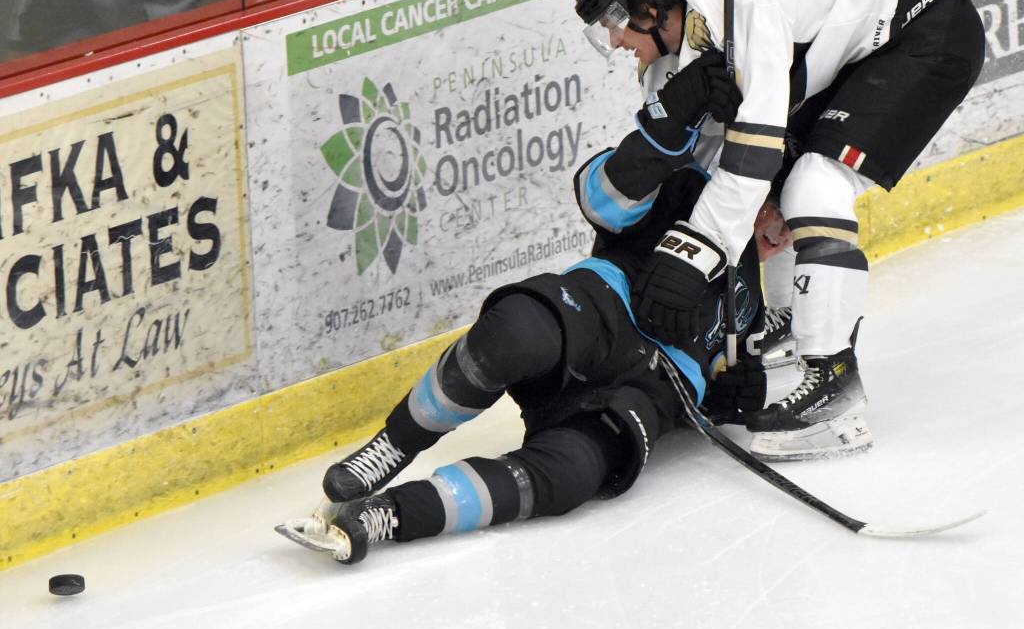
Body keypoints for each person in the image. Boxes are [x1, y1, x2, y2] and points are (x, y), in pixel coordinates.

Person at [278, 77, 774, 564]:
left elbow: (719, 384)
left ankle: (386, 515)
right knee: (516, 331)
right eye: (779, 209)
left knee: (573, 474)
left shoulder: (753, 292)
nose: (781, 229)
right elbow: (598, 196)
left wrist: (728, 398)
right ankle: (391, 448)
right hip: (601, 312)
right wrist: (663, 133)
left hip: (649, 394)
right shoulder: (687, 185)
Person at [572, 0, 985, 461]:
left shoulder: (733, 6)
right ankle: (793, 321)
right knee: (777, 192)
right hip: (854, 56)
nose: (615, 41)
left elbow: (760, 141)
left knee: (814, 184)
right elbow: (710, 172)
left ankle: (832, 384)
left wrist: (692, 256)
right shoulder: (669, 69)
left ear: (648, 7)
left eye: (613, 22)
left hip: (922, 25)